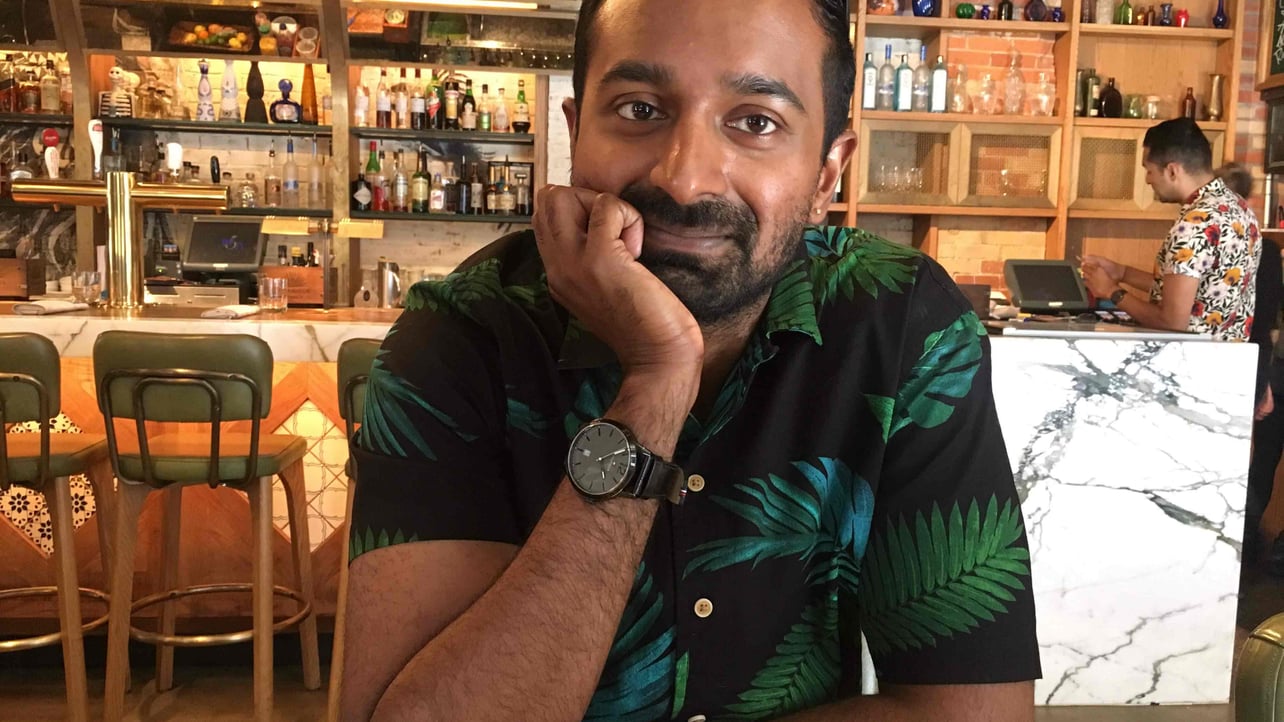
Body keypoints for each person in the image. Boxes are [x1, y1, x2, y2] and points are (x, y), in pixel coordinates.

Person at [340, 0, 1041, 719]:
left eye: (756, 122)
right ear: (576, 133)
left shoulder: (900, 324)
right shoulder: (462, 336)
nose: (685, 179)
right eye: (640, 110)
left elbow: (971, 713)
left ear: (827, 174)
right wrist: (657, 380)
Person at [1081, 118, 1262, 341]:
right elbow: (1192, 288)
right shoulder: (1240, 208)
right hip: (1230, 358)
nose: (1147, 180)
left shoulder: (1194, 223)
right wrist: (1123, 273)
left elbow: (1172, 322)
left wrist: (1111, 291)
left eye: (1149, 170)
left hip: (1190, 359)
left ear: (1172, 171)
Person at [1221, 161, 1284, 565]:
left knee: (1256, 459)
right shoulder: (1267, 248)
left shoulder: (1233, 242)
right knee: (1258, 460)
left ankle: (1240, 546)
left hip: (1245, 364)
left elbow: (1262, 320)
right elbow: (1267, 321)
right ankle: (1247, 548)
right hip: (1261, 363)